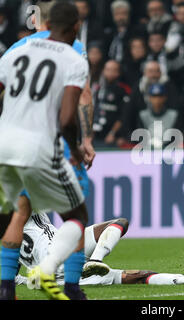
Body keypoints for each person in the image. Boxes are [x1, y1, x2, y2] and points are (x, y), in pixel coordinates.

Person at [0, 1, 90, 301]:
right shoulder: (74, 58)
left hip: (4, 144)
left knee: (18, 212)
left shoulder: (17, 51)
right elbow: (66, 118)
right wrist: (76, 149)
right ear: (75, 26)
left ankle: (6, 288)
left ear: (45, 22)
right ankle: (52, 273)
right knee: (77, 216)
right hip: (37, 147)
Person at [13, 212, 184, 287]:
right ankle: (96, 259)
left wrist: (26, 281)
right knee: (120, 222)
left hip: (51, 276)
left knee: (134, 278)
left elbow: (13, 268)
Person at [92, 60, 131, 148]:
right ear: (103, 71)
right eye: (108, 69)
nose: (110, 73)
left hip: (114, 137)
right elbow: (92, 109)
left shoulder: (123, 90)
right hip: (95, 133)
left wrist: (113, 133)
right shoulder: (96, 88)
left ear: (118, 73)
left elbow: (124, 115)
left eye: (114, 70)